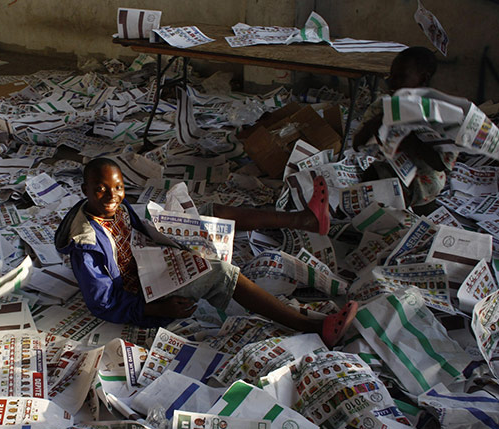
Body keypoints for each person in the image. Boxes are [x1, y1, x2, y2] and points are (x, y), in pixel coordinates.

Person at [54, 158, 358, 347]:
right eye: (100, 189)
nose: (111, 196)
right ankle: (312, 327)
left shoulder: (115, 208)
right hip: (143, 291)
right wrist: (159, 309)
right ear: (84, 189)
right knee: (222, 274)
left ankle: (304, 220)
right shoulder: (86, 244)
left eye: (117, 188)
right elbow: (104, 303)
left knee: (210, 214)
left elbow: (136, 234)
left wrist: (173, 232)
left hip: (154, 257)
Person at [352, 46, 457, 208]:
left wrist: (409, 140)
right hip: (392, 170)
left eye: (401, 77)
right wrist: (378, 121)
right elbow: (356, 144)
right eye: (391, 76)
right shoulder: (382, 105)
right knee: (371, 175)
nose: (392, 83)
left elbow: (440, 165)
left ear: (423, 79)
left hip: (423, 181)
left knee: (400, 197)